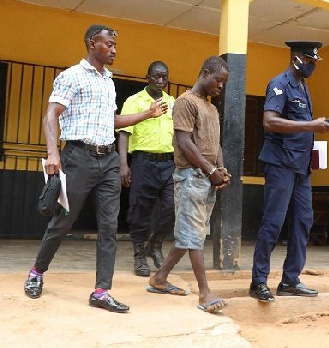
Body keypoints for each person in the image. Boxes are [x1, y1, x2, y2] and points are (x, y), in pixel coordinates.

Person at [23, 24, 167, 313]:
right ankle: (37, 272)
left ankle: (101, 291)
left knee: (109, 228)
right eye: (109, 44)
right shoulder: (72, 76)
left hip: (108, 160)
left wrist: (147, 114)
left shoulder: (108, 82)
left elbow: (112, 121)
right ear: (92, 44)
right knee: (63, 221)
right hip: (79, 157)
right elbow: (51, 113)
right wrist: (53, 153)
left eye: (114, 45)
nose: (113, 49)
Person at [249, 41, 329, 302]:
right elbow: (269, 121)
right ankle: (258, 281)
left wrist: (321, 127)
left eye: (314, 62)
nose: (312, 66)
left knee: (303, 221)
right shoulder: (279, 83)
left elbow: (303, 126)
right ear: (297, 59)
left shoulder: (303, 87)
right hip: (280, 165)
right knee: (273, 222)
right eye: (310, 61)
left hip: (301, 168)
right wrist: (313, 125)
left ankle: (290, 280)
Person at [147, 56, 231, 314]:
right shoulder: (185, 102)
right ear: (205, 73)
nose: (220, 87)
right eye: (218, 80)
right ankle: (204, 292)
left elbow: (215, 143)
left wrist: (221, 169)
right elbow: (184, 142)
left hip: (207, 177)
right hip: (190, 176)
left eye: (224, 83)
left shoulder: (212, 109)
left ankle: (159, 278)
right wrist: (210, 170)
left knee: (190, 232)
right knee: (194, 235)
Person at [118, 61, 176, 277]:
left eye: (164, 77)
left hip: (169, 163)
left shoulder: (172, 103)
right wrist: (123, 164)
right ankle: (139, 255)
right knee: (139, 210)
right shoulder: (134, 101)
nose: (160, 81)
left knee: (173, 206)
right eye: (156, 77)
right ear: (147, 77)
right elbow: (124, 132)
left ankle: (155, 243)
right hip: (142, 162)